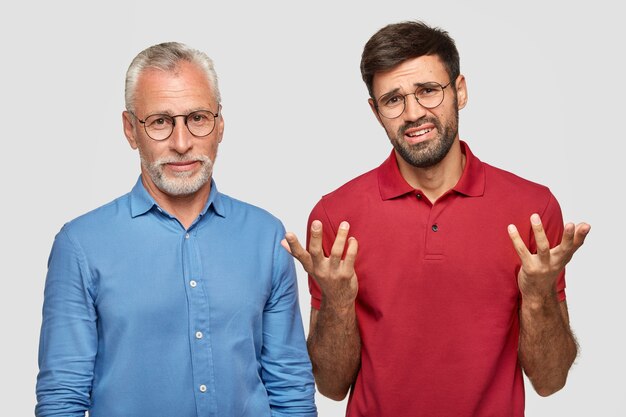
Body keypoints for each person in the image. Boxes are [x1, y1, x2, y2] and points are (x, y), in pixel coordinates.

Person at [282, 21, 590, 417]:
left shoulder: (532, 209)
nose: (413, 114)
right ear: (376, 112)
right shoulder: (335, 218)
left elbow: (551, 381)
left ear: (459, 91)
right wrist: (339, 303)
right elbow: (331, 386)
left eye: (428, 91)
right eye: (393, 99)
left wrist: (538, 296)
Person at [35, 42, 317, 417]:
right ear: (130, 130)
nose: (182, 143)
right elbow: (62, 400)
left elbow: (290, 389)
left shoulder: (265, 236)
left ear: (219, 125)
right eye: (160, 122)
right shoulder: (81, 245)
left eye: (197, 118)